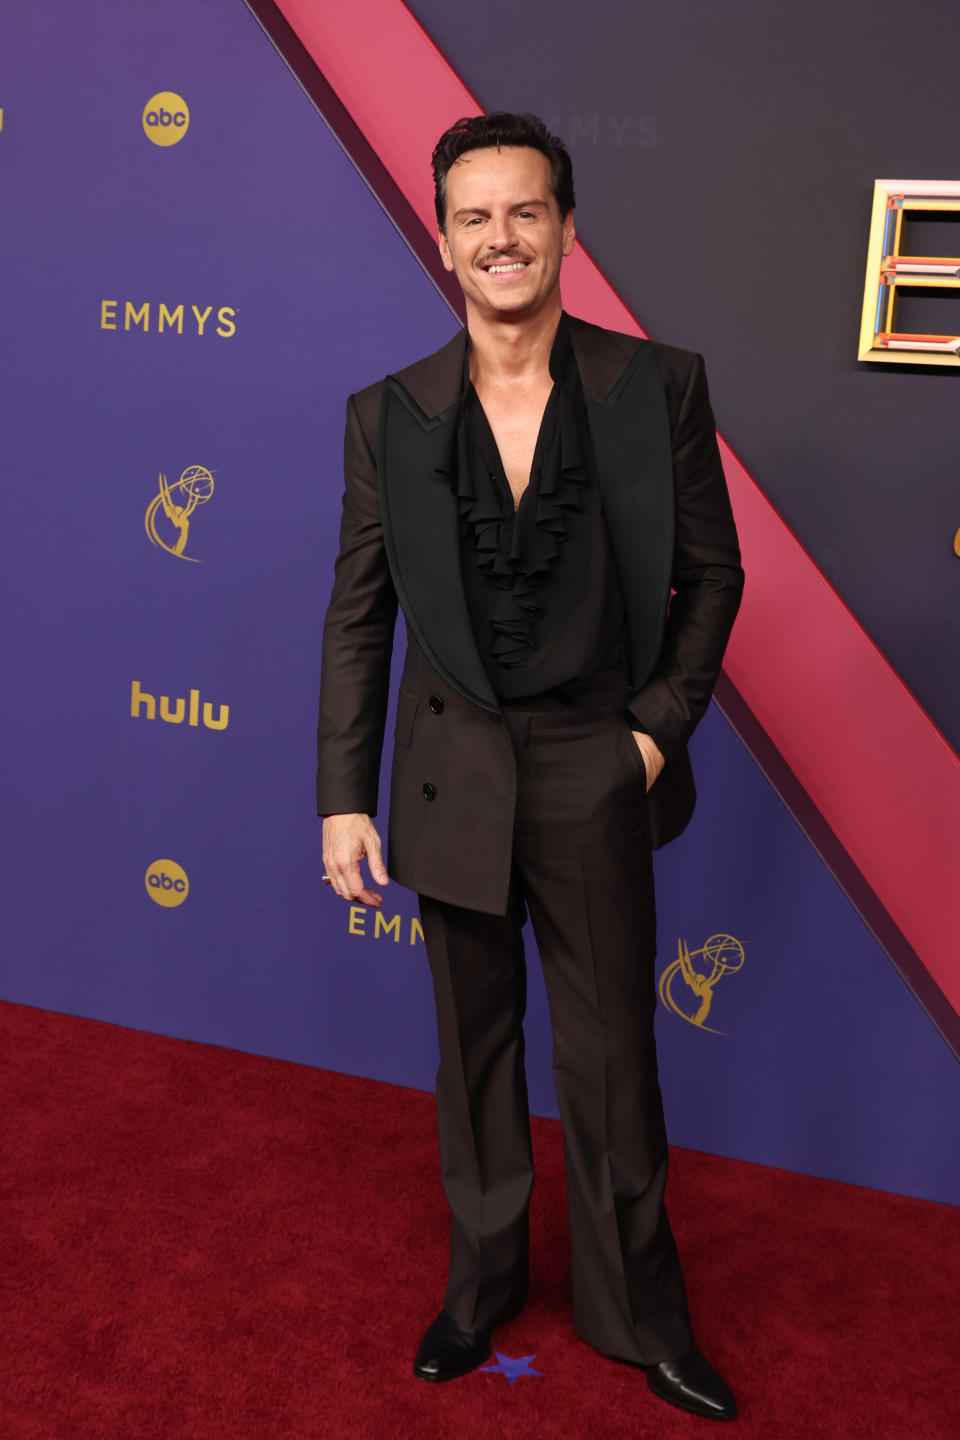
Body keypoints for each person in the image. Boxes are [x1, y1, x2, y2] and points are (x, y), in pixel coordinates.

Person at [317, 112, 744, 1422]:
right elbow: (360, 610)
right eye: (472, 217)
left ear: (563, 225)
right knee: (475, 1049)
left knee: (615, 1056)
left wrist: (652, 727)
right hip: (451, 770)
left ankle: (637, 1313)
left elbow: (713, 576)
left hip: (593, 762)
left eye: (524, 211)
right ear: (443, 242)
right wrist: (341, 794)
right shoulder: (387, 415)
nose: (499, 237)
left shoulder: (655, 386)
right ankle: (480, 1287)